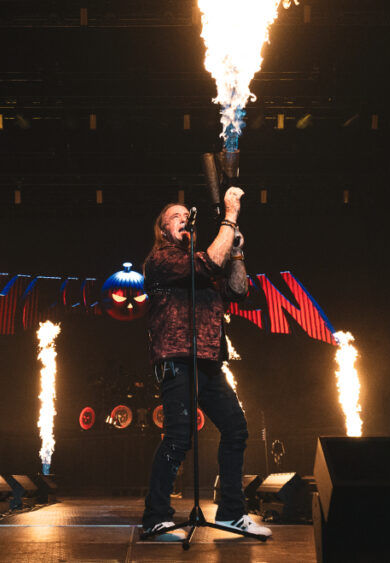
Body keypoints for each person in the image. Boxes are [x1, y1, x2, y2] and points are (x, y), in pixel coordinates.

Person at [140, 187, 271, 541]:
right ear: (163, 228)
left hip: (209, 360)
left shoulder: (202, 258)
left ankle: (231, 513)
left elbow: (238, 290)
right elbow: (210, 262)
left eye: (187, 214)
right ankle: (155, 517)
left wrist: (238, 250)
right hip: (177, 357)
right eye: (175, 216)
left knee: (236, 428)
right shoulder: (162, 259)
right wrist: (230, 215)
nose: (184, 218)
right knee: (178, 438)